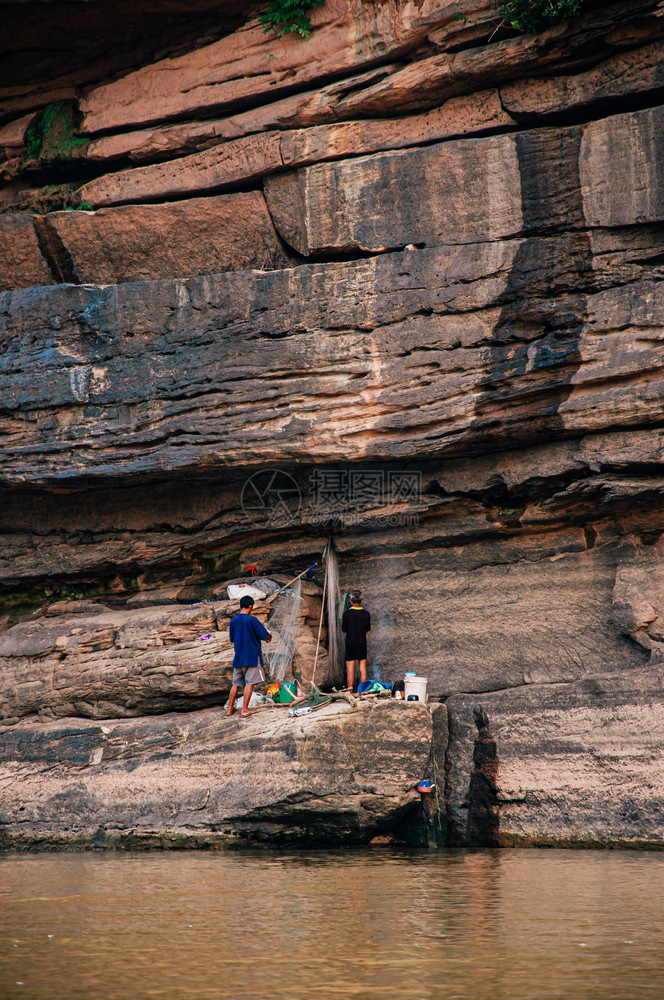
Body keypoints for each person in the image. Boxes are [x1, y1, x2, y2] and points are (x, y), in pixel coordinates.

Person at [227, 595, 272, 717]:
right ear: (250, 606)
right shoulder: (252, 620)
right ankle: (245, 709)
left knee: (235, 684)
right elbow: (265, 636)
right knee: (249, 683)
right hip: (251, 657)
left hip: (238, 658)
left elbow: (232, 639)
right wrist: (269, 637)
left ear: (240, 605)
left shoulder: (233, 621)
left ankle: (230, 709)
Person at [342, 589, 370, 692]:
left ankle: (350, 692)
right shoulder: (366, 614)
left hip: (350, 643)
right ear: (362, 600)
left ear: (350, 600)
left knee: (350, 669)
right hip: (362, 643)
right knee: (362, 668)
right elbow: (366, 631)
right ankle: (362, 692)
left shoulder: (346, 614)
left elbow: (344, 631)